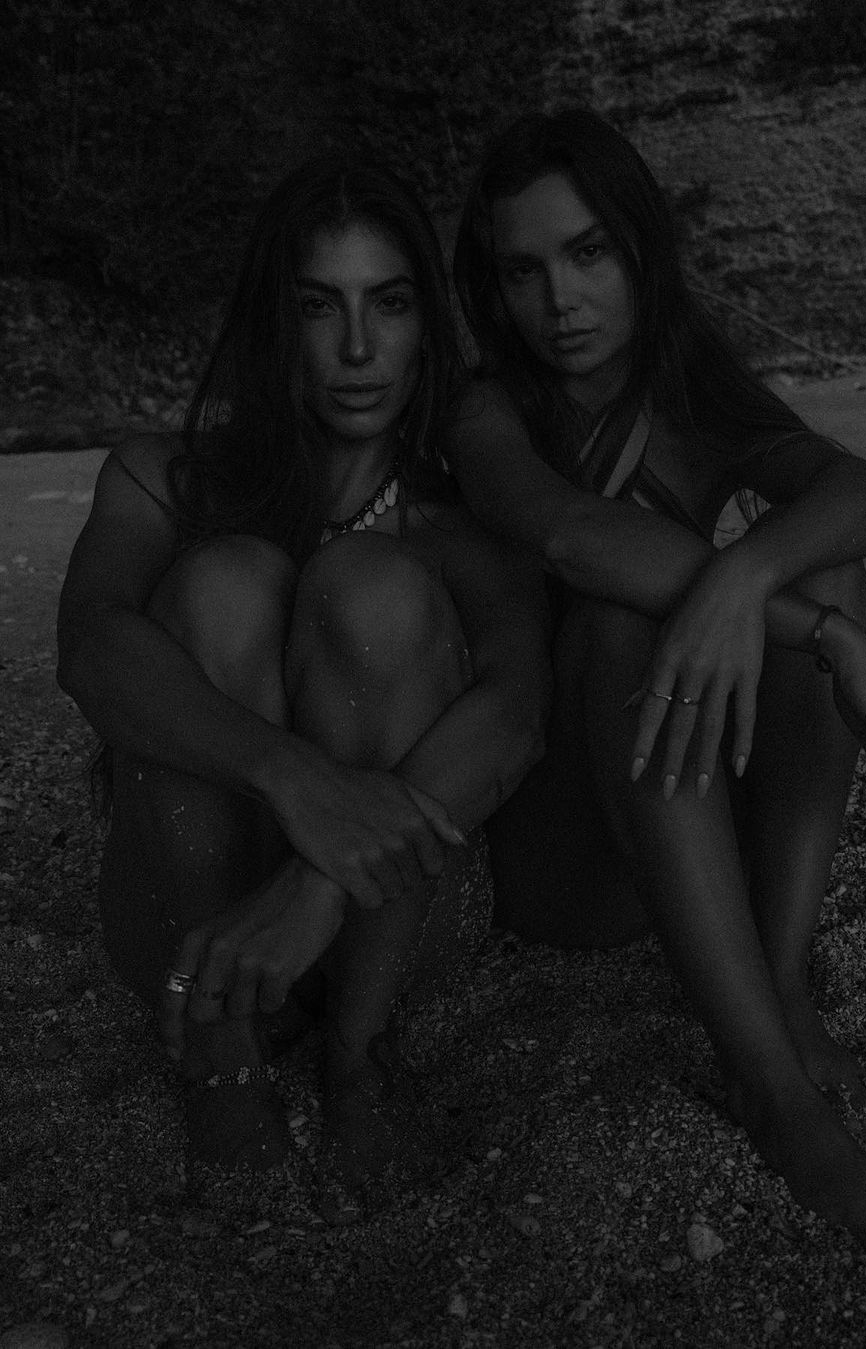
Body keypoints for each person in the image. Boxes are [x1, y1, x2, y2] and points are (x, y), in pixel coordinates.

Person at [447, 108, 866, 1246]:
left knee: (827, 562)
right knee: (629, 625)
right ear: (494, 286)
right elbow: (573, 537)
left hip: (693, 838)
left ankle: (779, 984)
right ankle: (771, 1088)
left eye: (588, 253)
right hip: (569, 858)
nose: (561, 300)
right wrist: (828, 638)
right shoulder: (489, 413)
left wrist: (756, 574)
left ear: (639, 247)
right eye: (524, 271)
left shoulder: (694, 391)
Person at [56, 156, 550, 1187]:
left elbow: (517, 711)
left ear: (427, 327)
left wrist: (325, 873)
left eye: (390, 304)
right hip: (191, 920)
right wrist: (294, 778)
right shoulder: (162, 477)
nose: (358, 347)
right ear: (272, 324)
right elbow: (91, 645)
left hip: (387, 925)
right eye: (319, 307)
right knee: (225, 579)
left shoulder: (460, 526)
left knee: (376, 584)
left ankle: (357, 1052)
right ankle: (222, 1048)